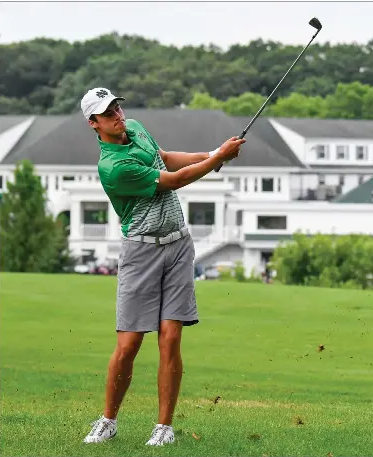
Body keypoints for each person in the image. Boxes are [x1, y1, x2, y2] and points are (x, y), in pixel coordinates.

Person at [80, 87, 245, 446]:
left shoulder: (136, 128)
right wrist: (217, 158)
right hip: (141, 252)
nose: (118, 116)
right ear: (94, 123)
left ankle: (164, 427)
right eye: (108, 114)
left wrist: (213, 155)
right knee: (129, 344)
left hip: (178, 246)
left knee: (170, 338)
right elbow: (173, 181)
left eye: (117, 108)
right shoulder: (113, 166)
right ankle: (108, 419)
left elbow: (167, 159)